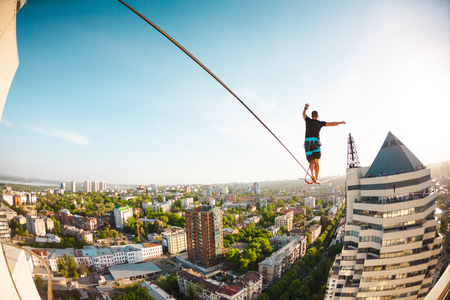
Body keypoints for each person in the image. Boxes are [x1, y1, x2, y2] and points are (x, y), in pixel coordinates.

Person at [302, 103, 345, 183]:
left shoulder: (308, 120)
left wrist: (306, 107)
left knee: (311, 162)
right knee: (317, 162)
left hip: (308, 143)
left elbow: (303, 114)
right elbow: (332, 124)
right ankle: (316, 178)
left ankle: (312, 175)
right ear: (317, 116)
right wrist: (340, 122)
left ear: (311, 116)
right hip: (315, 143)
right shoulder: (319, 123)